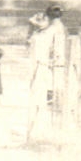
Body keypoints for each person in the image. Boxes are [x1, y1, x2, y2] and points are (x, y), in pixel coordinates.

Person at [24, 11, 52, 143]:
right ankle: (35, 132)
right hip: (41, 68)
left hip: (41, 69)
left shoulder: (39, 37)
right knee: (40, 102)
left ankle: (35, 133)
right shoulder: (39, 36)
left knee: (39, 102)